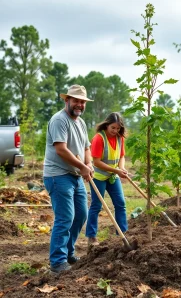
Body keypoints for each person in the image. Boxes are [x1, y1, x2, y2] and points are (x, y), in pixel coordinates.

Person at [43, 84, 94, 273]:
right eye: (76, 101)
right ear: (67, 100)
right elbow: (61, 149)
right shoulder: (59, 120)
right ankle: (57, 262)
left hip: (74, 175)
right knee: (65, 218)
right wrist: (82, 167)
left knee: (81, 215)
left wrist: (89, 165)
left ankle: (68, 253)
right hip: (58, 175)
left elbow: (86, 148)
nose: (79, 104)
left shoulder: (80, 123)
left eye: (82, 101)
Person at [86, 112, 128, 246]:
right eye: (113, 128)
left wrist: (121, 168)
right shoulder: (99, 138)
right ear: (107, 125)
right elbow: (96, 162)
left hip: (112, 176)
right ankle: (91, 236)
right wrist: (116, 170)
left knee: (120, 203)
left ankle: (122, 233)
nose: (115, 131)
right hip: (98, 177)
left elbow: (121, 156)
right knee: (96, 206)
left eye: (118, 128)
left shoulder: (120, 138)